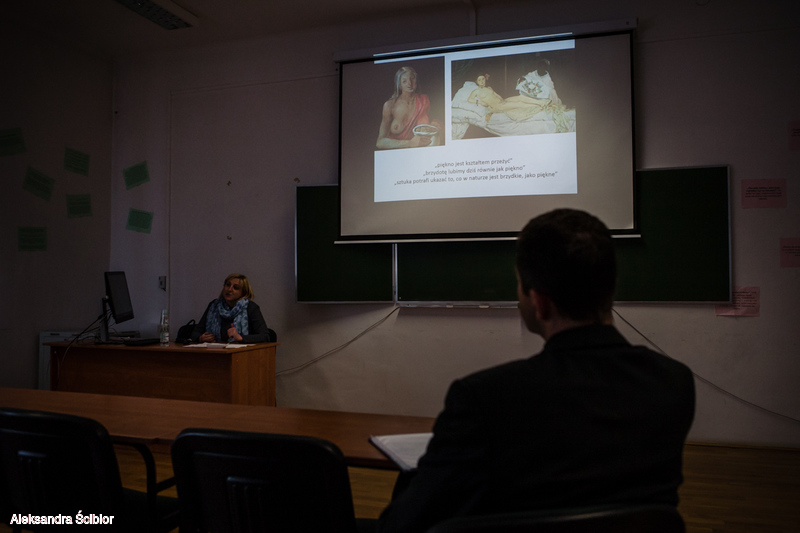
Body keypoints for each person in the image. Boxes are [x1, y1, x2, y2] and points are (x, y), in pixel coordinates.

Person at [376, 209, 696, 533]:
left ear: (540, 303)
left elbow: (405, 524)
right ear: (611, 286)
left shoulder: (485, 398)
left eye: (520, 286)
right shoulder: (674, 382)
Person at [191, 273, 270, 343]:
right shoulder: (214, 306)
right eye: (228, 285)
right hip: (216, 351)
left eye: (236, 287)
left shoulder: (250, 307)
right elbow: (195, 333)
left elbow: (265, 336)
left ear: (243, 292)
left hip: (242, 352)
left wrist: (241, 337)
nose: (229, 289)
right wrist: (201, 338)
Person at [376, 66, 442, 149]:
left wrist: (434, 126)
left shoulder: (424, 100)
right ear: (399, 85)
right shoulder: (389, 106)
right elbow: (380, 142)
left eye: (412, 79)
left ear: (416, 80)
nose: (409, 83)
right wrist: (410, 143)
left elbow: (427, 124)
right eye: (404, 81)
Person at [467, 72, 551, 123]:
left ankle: (541, 102)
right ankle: (539, 106)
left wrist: (502, 99)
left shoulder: (489, 88)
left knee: (521, 97)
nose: (482, 81)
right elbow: (469, 99)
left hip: (502, 101)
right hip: (498, 106)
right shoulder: (476, 91)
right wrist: (480, 102)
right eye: (479, 80)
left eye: (483, 79)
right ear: (476, 82)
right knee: (518, 104)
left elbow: (496, 95)